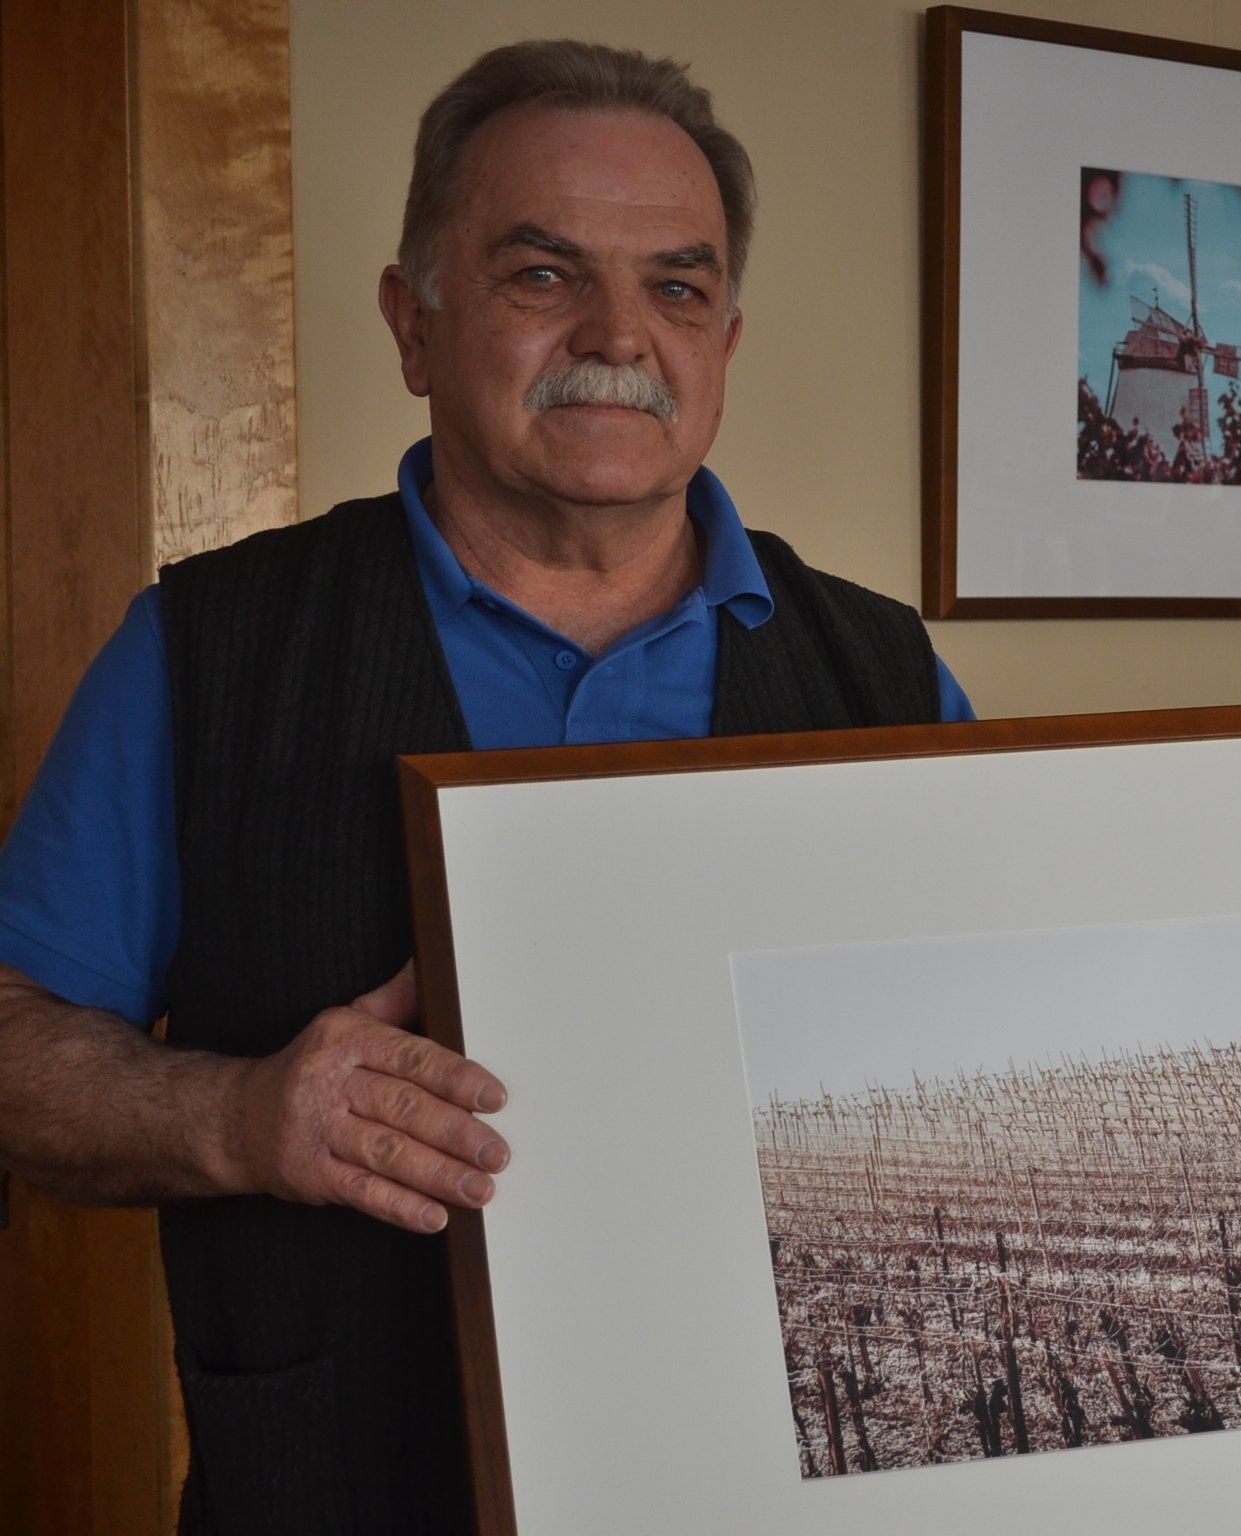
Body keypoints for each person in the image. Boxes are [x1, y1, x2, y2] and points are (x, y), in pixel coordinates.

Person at [0, 39, 969, 1534]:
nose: (620, 335)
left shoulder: (892, 674)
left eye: (680, 286)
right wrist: (239, 1120)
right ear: (412, 320)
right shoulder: (207, 649)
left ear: (724, 336)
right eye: (540, 274)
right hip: (343, 1482)